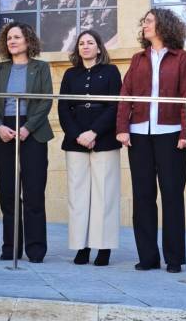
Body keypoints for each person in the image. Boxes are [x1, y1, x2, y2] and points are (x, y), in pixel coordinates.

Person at [116, 8, 186, 273]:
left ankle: (174, 258)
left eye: (149, 21)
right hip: (139, 134)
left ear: (163, 26)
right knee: (143, 197)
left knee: (172, 196)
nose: (145, 25)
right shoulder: (138, 59)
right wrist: (122, 128)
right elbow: (125, 94)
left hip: (171, 135)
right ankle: (148, 256)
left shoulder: (181, 59)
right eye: (144, 22)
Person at [0, 22, 53, 263]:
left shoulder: (41, 68)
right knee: (9, 193)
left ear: (28, 41)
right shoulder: (0, 69)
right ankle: (10, 247)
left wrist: (27, 128)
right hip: (3, 130)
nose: (12, 41)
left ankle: (35, 250)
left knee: (34, 193)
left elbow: (45, 102)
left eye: (17, 37)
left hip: (32, 132)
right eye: (9, 38)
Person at [58, 30, 122, 266]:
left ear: (99, 47)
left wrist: (94, 132)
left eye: (90, 42)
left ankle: (103, 246)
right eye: (81, 43)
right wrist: (78, 135)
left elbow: (116, 105)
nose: (85, 46)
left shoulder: (111, 72)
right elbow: (63, 108)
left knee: (105, 195)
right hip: (75, 142)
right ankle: (81, 246)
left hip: (104, 139)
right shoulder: (70, 74)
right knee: (78, 195)